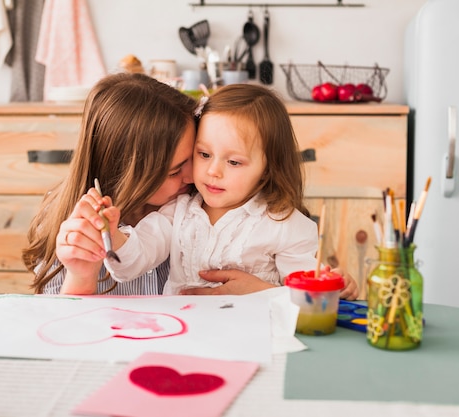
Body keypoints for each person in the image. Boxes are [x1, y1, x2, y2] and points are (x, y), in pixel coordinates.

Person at [98, 84, 358, 298]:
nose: (213, 171)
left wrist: (333, 288)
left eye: (233, 162)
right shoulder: (176, 211)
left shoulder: (284, 224)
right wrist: (114, 237)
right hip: (182, 335)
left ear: (268, 169)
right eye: (204, 154)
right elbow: (131, 263)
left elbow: (309, 297)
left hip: (252, 338)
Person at [23, 72, 199, 295]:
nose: (193, 176)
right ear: (127, 172)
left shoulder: (199, 208)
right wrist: (81, 276)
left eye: (197, 156)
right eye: (175, 171)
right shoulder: (70, 224)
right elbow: (59, 323)